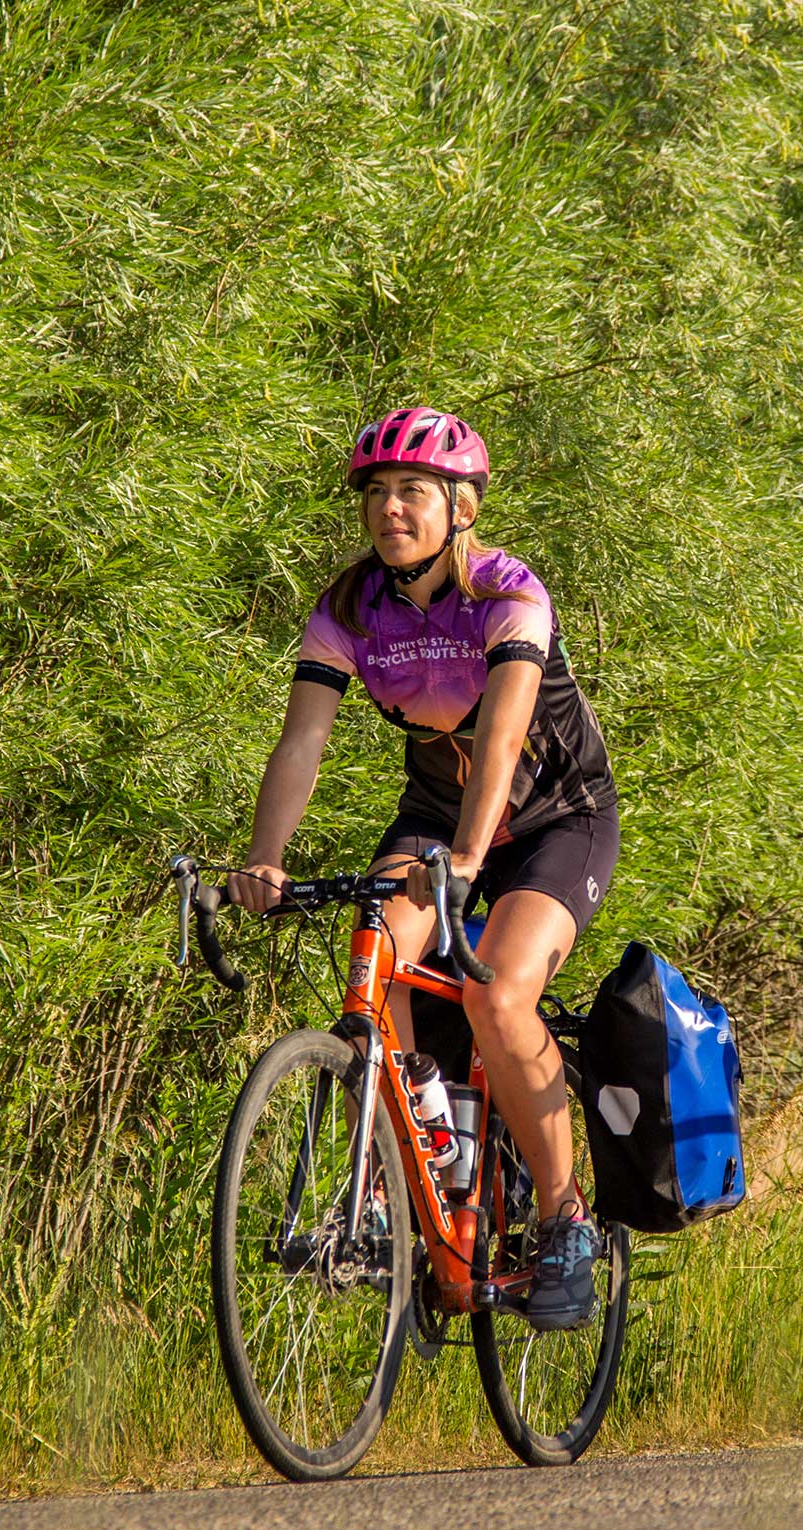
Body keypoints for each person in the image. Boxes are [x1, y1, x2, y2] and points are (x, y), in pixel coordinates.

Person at [229, 406, 619, 1330]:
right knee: (375, 957)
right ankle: (418, 1153)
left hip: (554, 820)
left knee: (497, 995)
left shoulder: (508, 593)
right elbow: (301, 745)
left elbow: (509, 736)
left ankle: (565, 1218)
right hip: (438, 820)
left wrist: (473, 860)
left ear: (461, 506)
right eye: (376, 493)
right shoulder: (348, 608)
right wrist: (265, 859)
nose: (390, 509)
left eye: (413, 491)